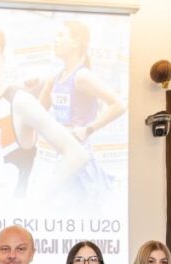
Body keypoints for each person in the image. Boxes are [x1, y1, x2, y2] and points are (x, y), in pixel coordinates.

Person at [0, 23, 87, 199]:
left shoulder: (20, 102)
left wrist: (37, 200)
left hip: (16, 223)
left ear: (2, 57)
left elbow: (76, 154)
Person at [37, 20, 126, 201]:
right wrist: (44, 84)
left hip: (80, 160)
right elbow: (38, 111)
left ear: (76, 42)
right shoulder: (56, 77)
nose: (55, 40)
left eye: (61, 36)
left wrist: (88, 129)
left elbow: (119, 105)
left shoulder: (82, 76)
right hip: (62, 156)